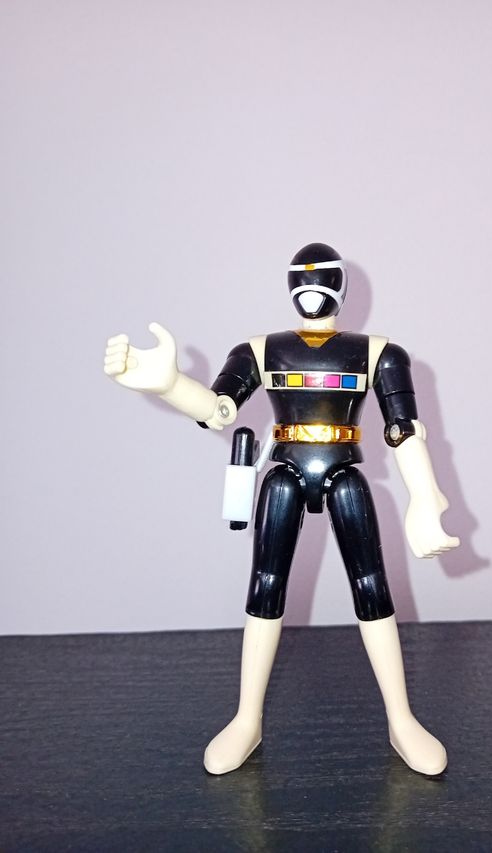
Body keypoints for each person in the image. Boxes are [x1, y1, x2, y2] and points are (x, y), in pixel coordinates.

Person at [103, 242, 459, 776]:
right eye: (303, 276)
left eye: (322, 276)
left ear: (340, 284)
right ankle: (247, 718)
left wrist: (426, 498)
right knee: (266, 585)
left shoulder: (380, 354)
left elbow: (403, 429)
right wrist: (172, 386)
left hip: (344, 471)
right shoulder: (260, 351)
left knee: (371, 585)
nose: (312, 286)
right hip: (285, 472)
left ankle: (401, 720)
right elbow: (220, 408)